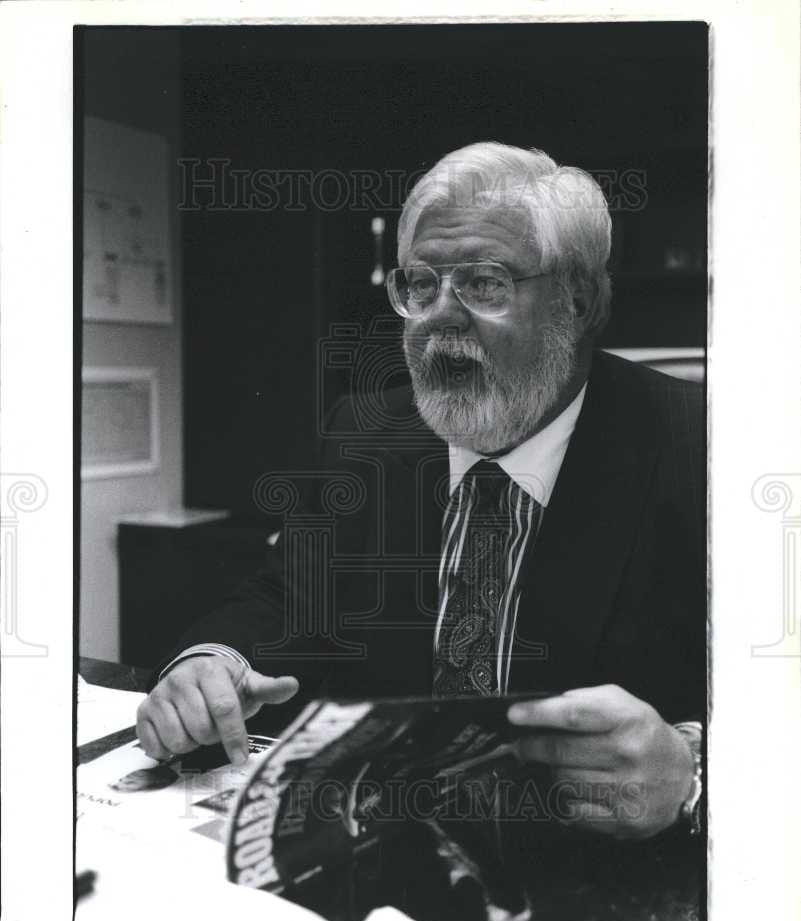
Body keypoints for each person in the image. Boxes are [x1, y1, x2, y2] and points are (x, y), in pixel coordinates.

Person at [136, 142, 704, 841]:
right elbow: (289, 597)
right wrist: (212, 663)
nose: (439, 315)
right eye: (419, 283)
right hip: (385, 851)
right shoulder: (367, 431)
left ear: (576, 300)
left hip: (590, 871)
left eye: (484, 282)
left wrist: (691, 771)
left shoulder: (703, 449)